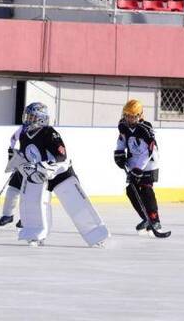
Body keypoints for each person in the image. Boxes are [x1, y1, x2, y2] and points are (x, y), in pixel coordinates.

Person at [9, 102, 109, 247]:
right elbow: (26, 155)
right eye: (28, 116)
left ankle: (96, 234)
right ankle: (35, 234)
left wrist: (47, 165)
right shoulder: (24, 135)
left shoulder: (50, 133)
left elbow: (61, 155)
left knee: (76, 204)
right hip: (42, 175)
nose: (28, 119)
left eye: (32, 117)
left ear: (41, 119)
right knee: (35, 202)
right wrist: (17, 160)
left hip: (60, 173)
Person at [113, 99, 163, 234]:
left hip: (149, 162)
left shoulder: (145, 129)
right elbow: (122, 141)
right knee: (131, 190)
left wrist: (138, 169)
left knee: (146, 189)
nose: (129, 118)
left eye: (132, 116)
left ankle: (155, 220)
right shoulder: (123, 126)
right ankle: (145, 218)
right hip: (134, 162)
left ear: (139, 116)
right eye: (127, 115)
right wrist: (119, 153)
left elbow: (148, 152)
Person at [0, 126, 24, 228]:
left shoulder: (44, 131)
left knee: (28, 194)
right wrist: (12, 151)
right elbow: (13, 138)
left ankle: (26, 218)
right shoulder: (24, 128)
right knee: (12, 190)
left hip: (36, 166)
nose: (30, 118)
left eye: (33, 116)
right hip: (22, 163)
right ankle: (8, 215)